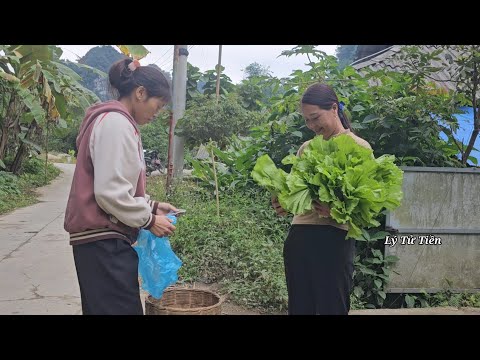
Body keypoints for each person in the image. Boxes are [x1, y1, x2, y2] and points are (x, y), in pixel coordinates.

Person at [64, 58, 178, 315]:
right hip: (104, 242)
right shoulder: (116, 123)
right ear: (140, 93)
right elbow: (109, 192)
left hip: (101, 242)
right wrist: (149, 220)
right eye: (157, 105)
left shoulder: (114, 122)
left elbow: (115, 184)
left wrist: (153, 206)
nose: (156, 114)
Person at [272, 83, 372, 315]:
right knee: (300, 308)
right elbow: (297, 191)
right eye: (307, 120)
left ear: (334, 108)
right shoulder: (306, 148)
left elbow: (366, 207)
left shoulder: (359, 147)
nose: (312, 126)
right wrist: (285, 203)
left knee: (332, 308)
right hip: (300, 238)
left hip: (335, 241)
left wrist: (336, 209)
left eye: (315, 118)